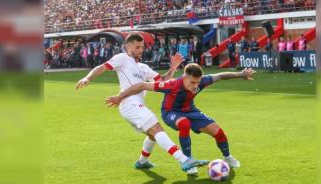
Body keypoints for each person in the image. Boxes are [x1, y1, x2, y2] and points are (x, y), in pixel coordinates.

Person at [76, 33, 208, 172]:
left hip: (134, 106)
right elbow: (101, 67)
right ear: (128, 46)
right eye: (137, 47)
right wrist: (88, 78)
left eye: (142, 47)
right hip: (129, 103)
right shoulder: (122, 58)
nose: (140, 50)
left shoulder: (144, 67)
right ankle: (184, 160)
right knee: (157, 129)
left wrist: (173, 68)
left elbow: (162, 81)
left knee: (152, 134)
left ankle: (142, 162)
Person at [106, 63, 256, 175]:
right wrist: (120, 97)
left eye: (198, 82)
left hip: (191, 110)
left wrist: (241, 74)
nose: (196, 86)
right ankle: (189, 162)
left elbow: (220, 76)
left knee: (218, 132)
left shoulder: (202, 81)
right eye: (192, 82)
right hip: (170, 113)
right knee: (184, 124)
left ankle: (228, 157)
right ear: (184, 77)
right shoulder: (171, 85)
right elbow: (141, 85)